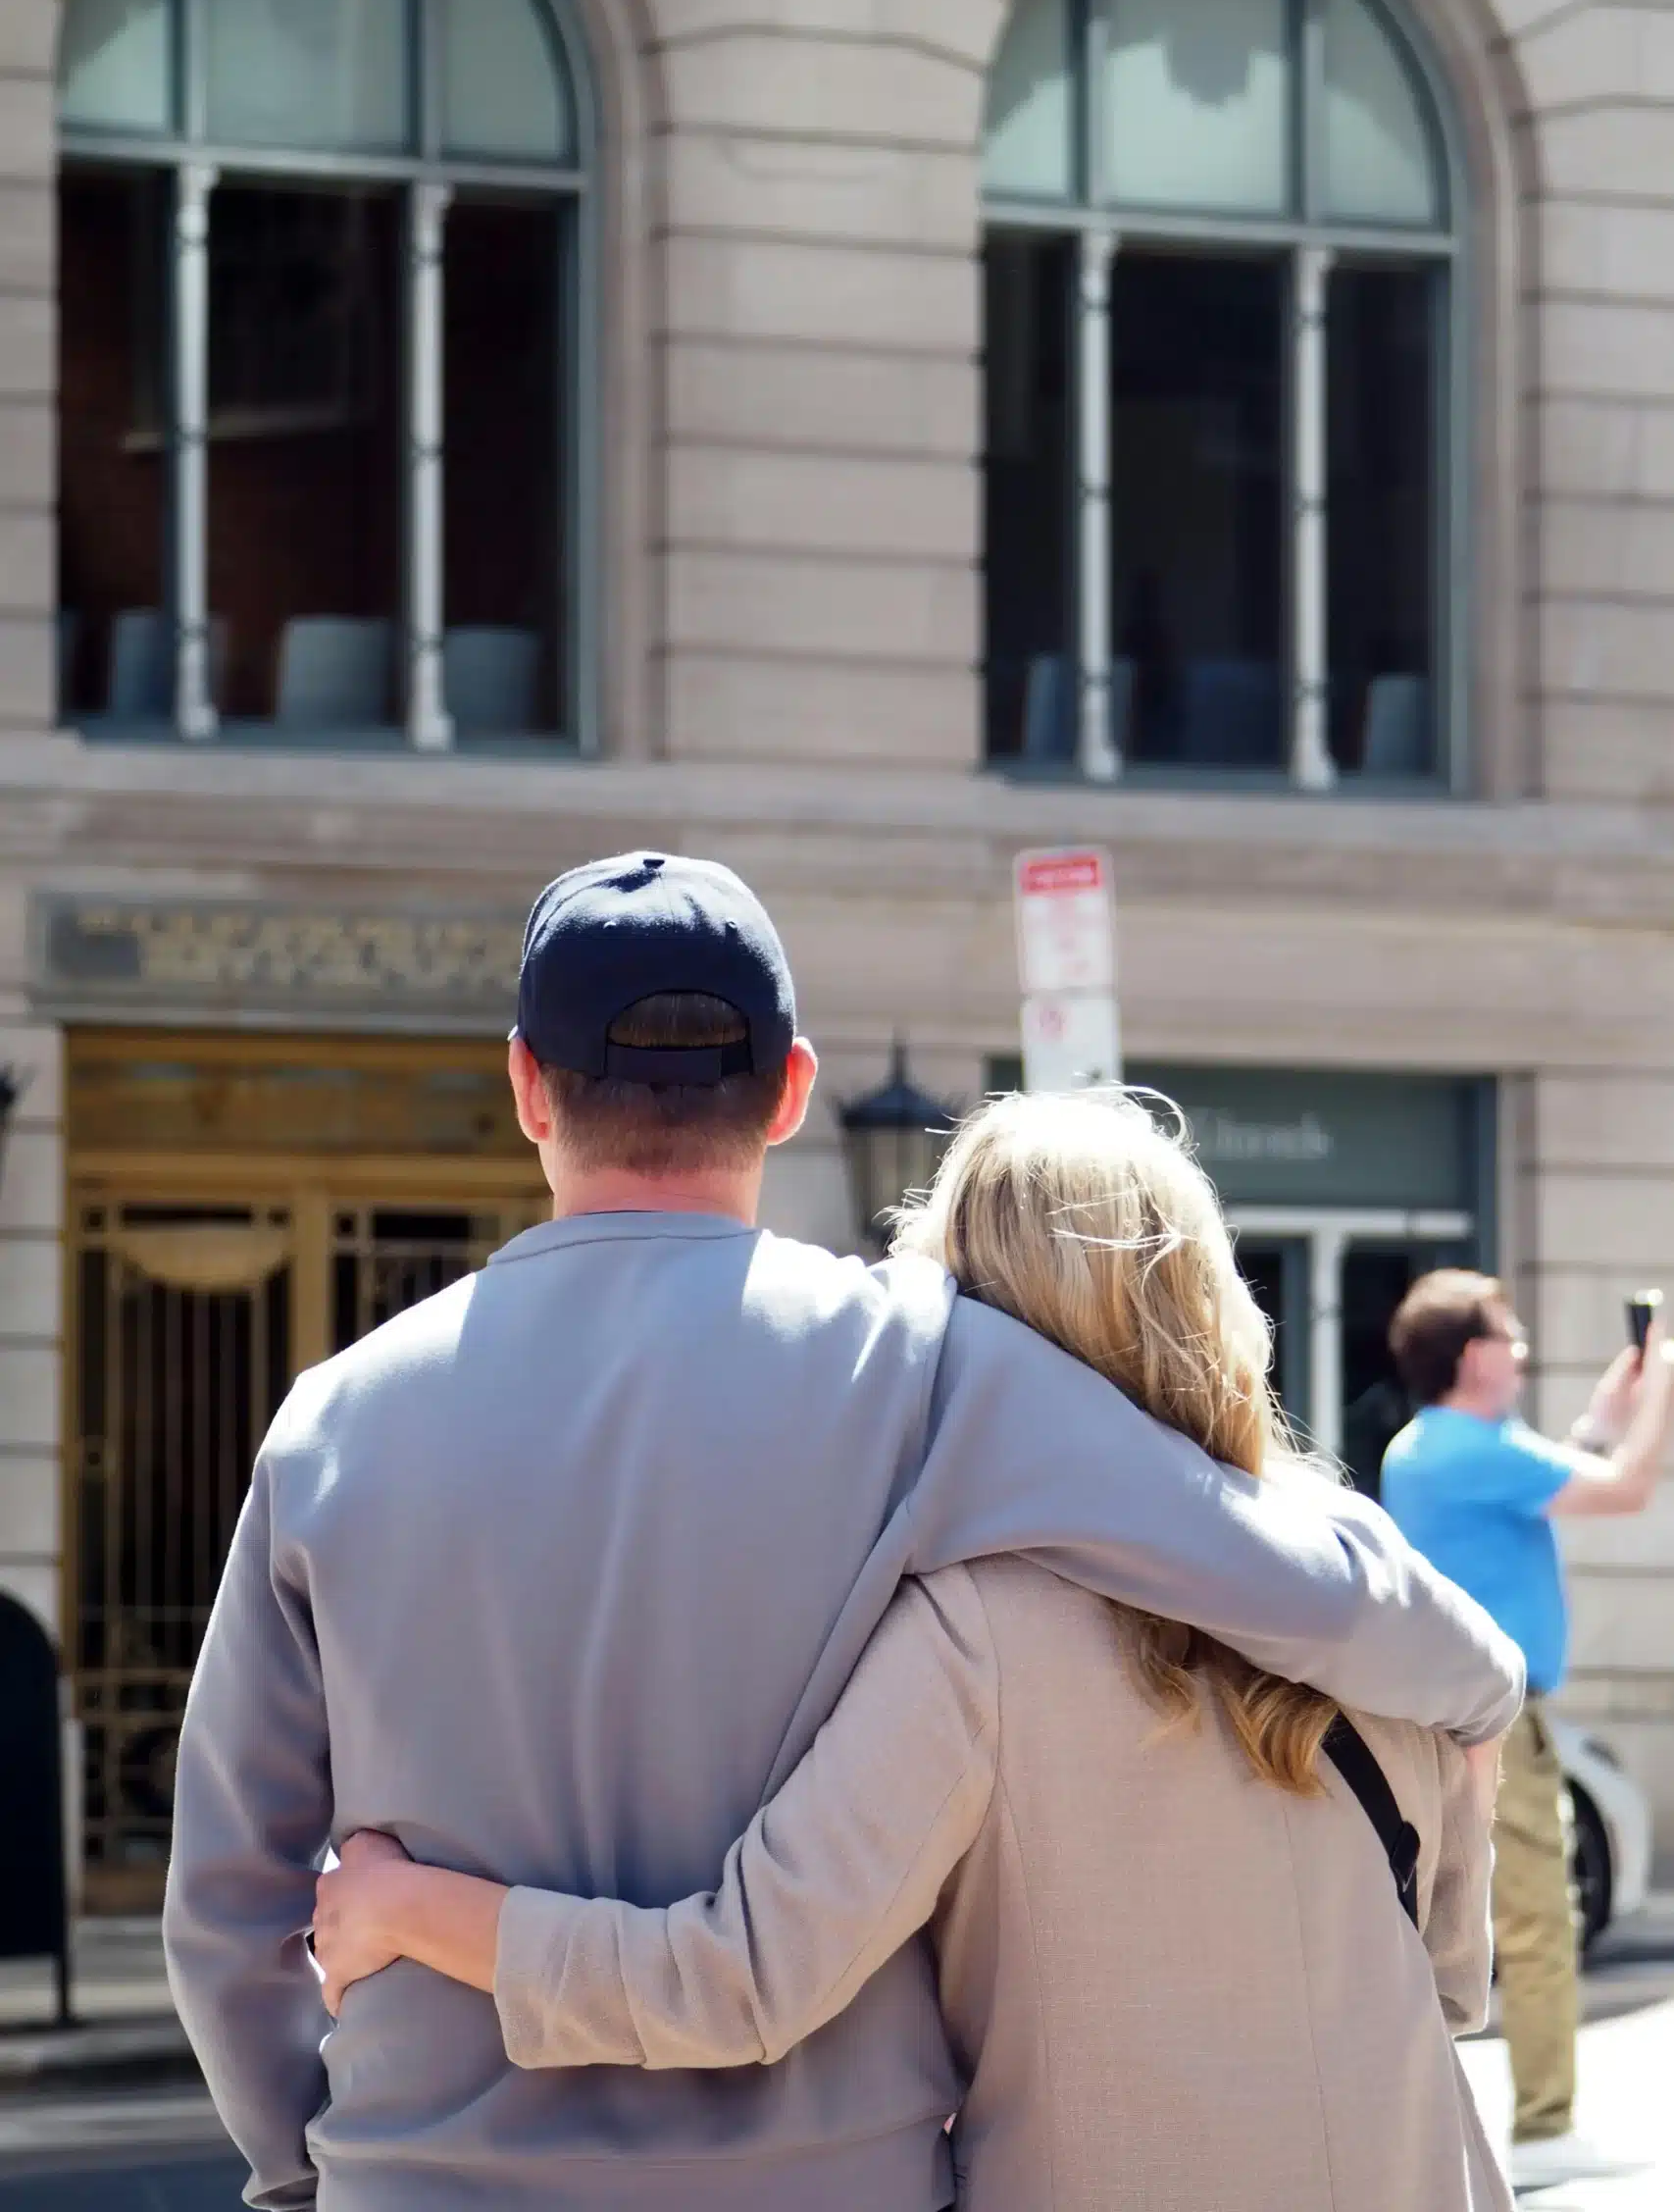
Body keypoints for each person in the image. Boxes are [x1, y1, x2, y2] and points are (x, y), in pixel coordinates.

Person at [165, 851, 1521, 2212]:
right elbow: (1294, 1583)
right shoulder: (923, 1367)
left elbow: (227, 1902)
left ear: (524, 1083)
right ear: (792, 1091)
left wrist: (311, 2166)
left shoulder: (332, 1424)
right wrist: (1474, 1687)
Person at [1381, 1267, 1674, 2193]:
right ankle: (1544, 2123)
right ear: (1471, 1357)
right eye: (1508, 1336)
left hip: (1465, 1714)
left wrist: (1606, 1409)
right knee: (1539, 1918)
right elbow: (1623, 1489)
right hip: (1492, 1723)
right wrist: (1662, 1372)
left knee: (1461, 1918)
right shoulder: (1465, 1451)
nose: (1521, 1351)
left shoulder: (1442, 1447)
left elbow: (1573, 1464)